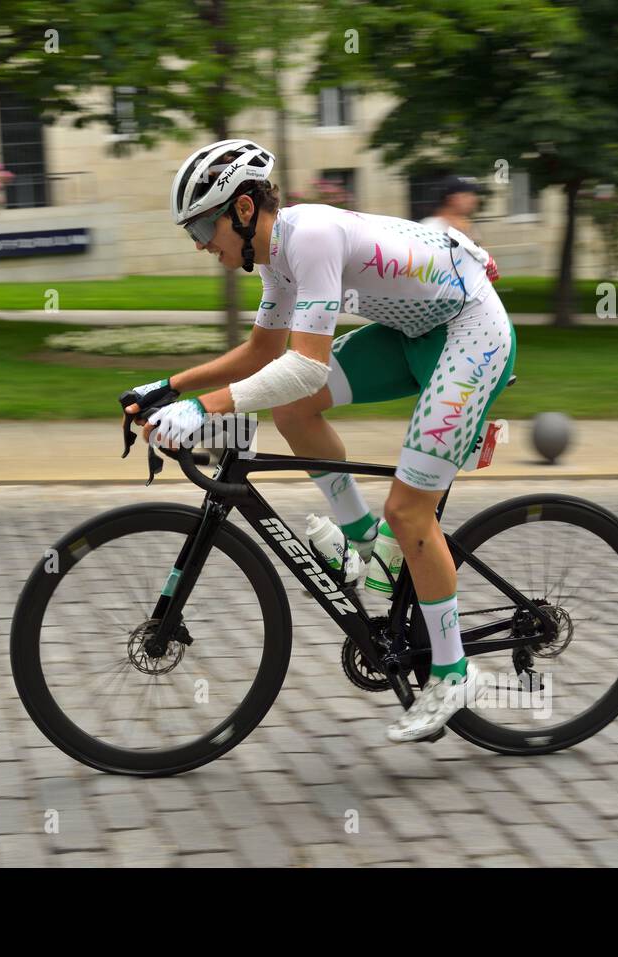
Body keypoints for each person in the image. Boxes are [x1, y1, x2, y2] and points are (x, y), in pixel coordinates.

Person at [126, 139, 515, 742]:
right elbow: (262, 354)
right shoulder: (278, 257)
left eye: (204, 224)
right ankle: (365, 551)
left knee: (409, 511)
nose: (201, 242)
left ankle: (454, 671)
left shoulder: (307, 238)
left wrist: (202, 409)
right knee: (295, 411)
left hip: (469, 332)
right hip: (415, 330)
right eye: (192, 230)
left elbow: (305, 363)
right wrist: (165, 385)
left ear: (246, 209)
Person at [422, 174, 498, 281]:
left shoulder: (469, 227)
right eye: (467, 195)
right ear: (451, 199)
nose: (474, 200)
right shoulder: (430, 228)